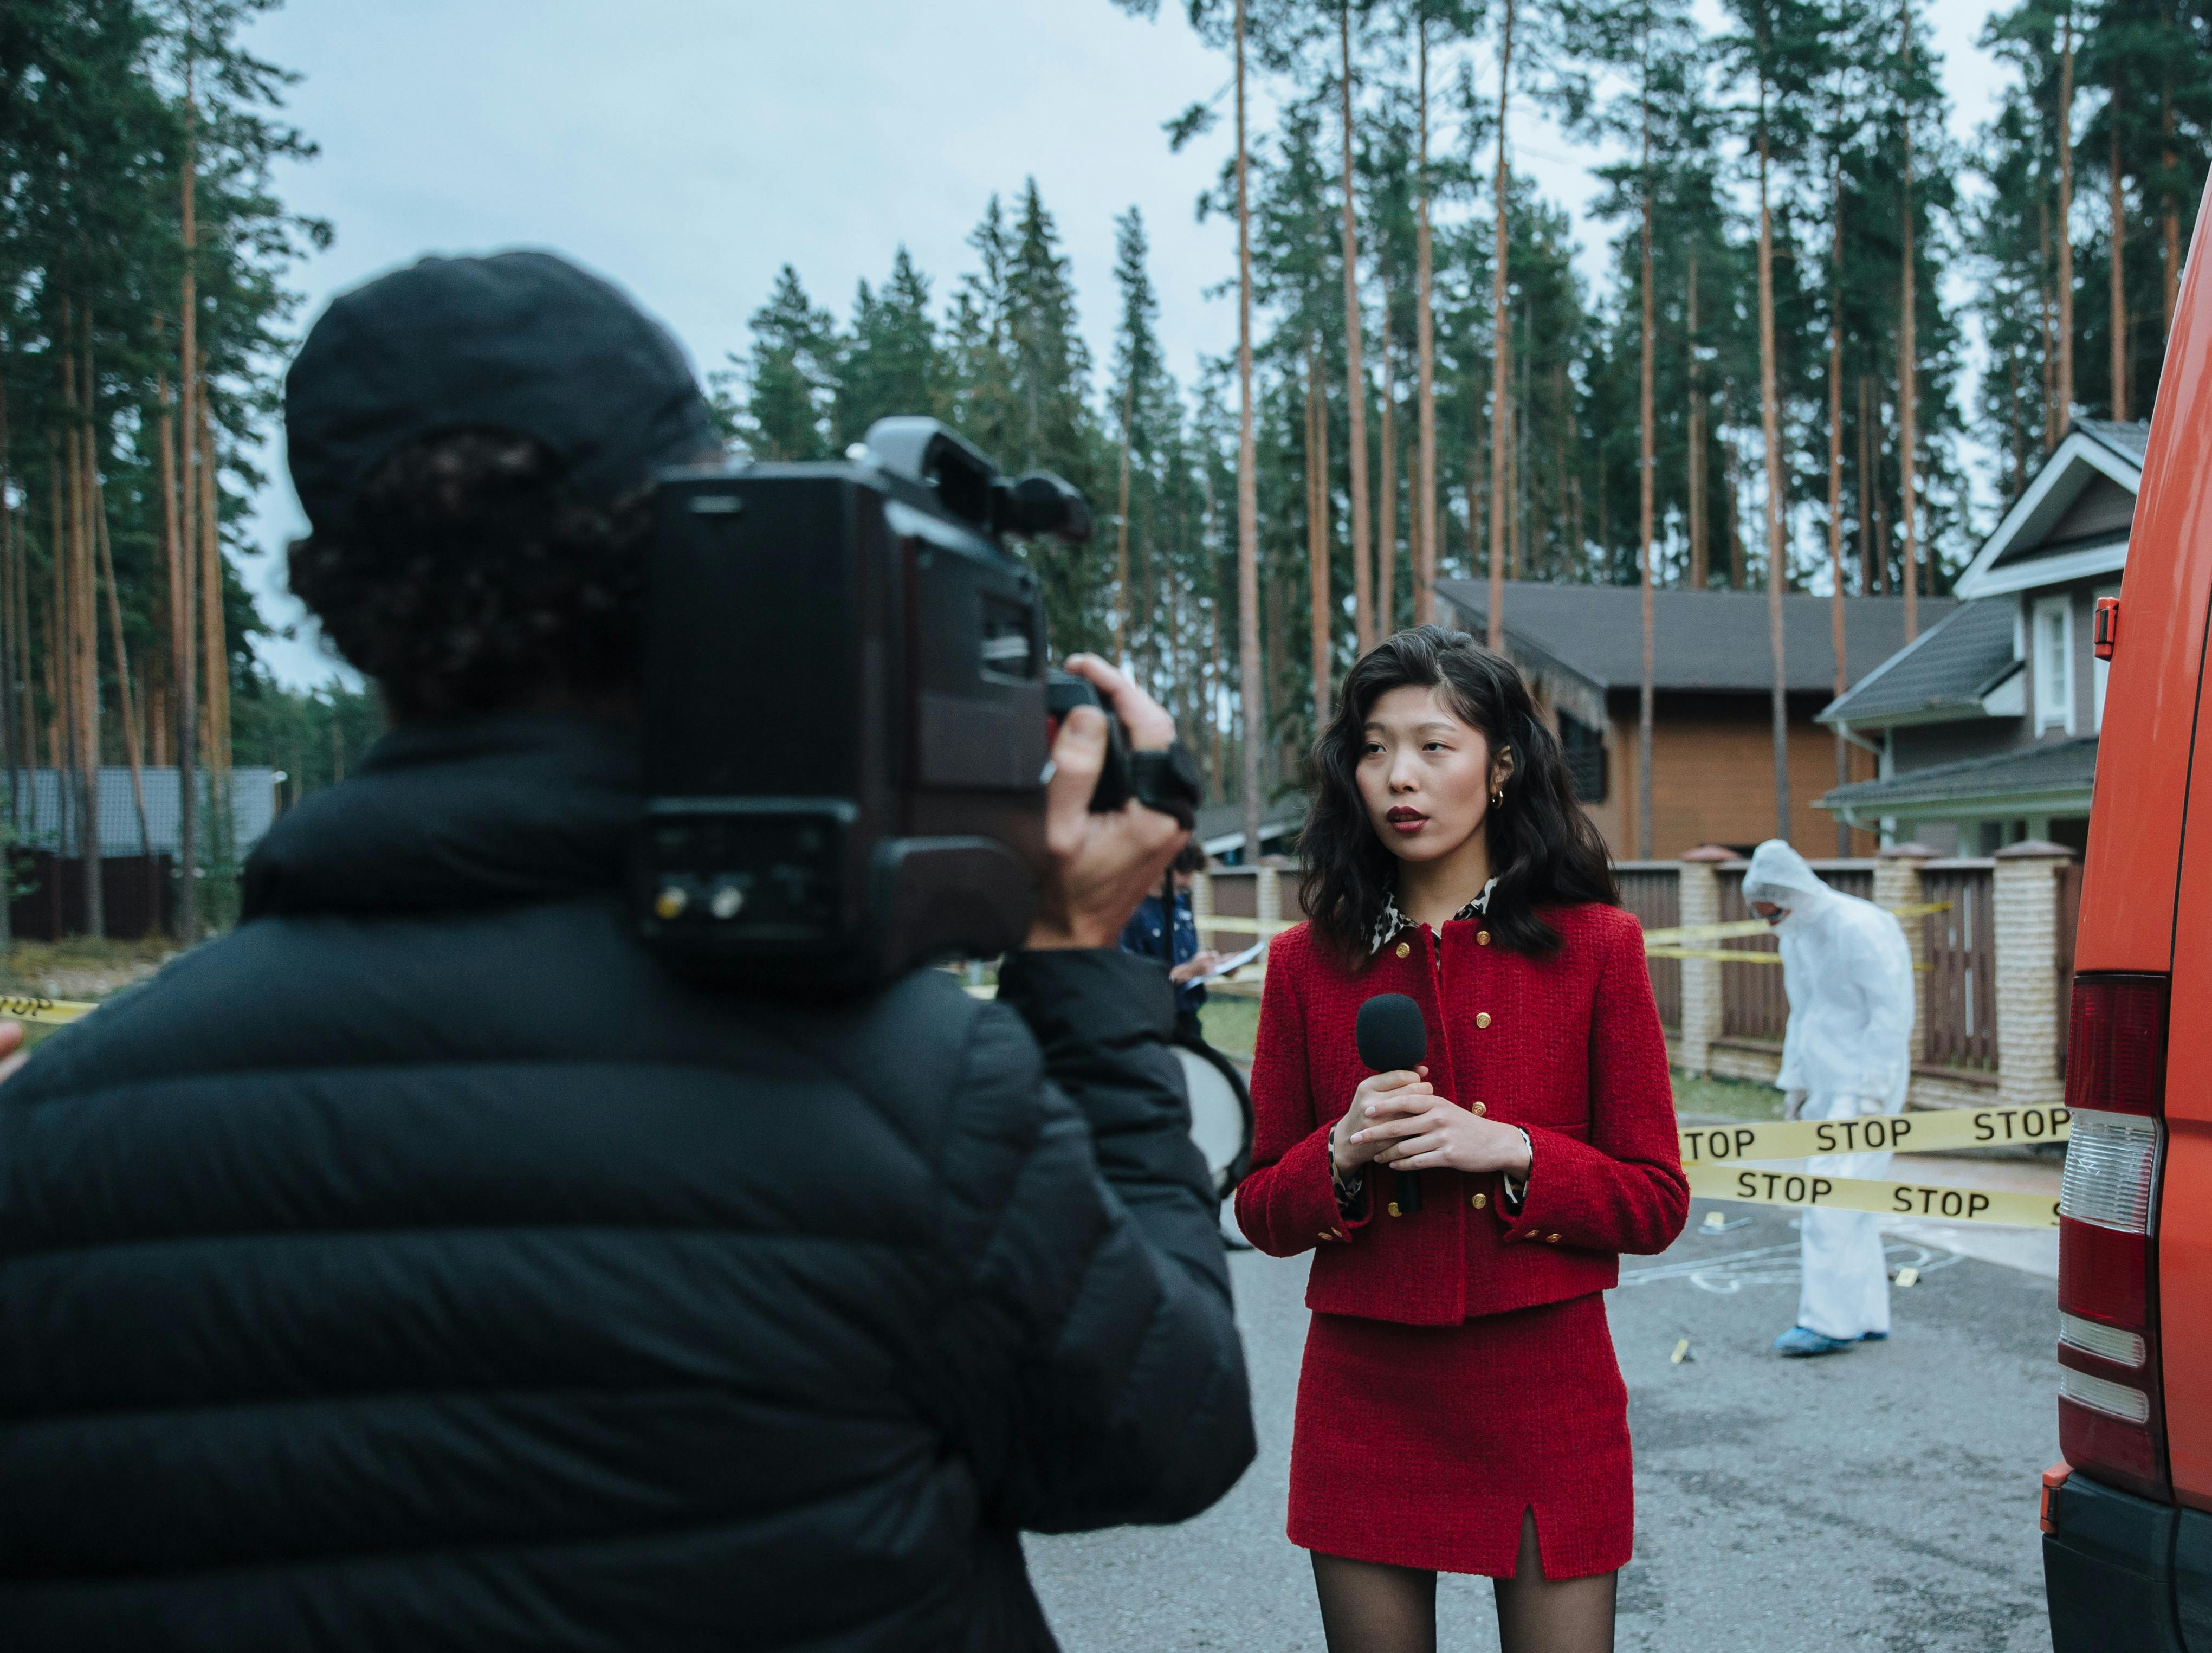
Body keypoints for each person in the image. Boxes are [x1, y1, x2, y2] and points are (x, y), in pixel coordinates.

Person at [0, 251, 1252, 1651]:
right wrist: (1074, 956)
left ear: (339, 595)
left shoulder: (47, 1140)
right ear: (696, 551)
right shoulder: (902, 1091)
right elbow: (1168, 1431)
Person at [1233, 628, 1689, 1653]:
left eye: (1434, 746)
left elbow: (1656, 1201)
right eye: (1374, 746)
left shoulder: (1598, 948)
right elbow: (1260, 1209)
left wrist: (1514, 1152)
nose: (1399, 775)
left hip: (1546, 1393)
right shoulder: (1306, 963)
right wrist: (1337, 1154)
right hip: (1365, 1394)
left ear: (1502, 765)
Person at [1742, 840, 1917, 1358]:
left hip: (1863, 1088)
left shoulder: (1860, 927)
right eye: (1760, 914)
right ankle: (1864, 1316)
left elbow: (1891, 1016)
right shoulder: (1796, 935)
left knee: (1828, 1205)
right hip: (1825, 1086)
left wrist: (1871, 1095)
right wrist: (1795, 1084)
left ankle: (1829, 1324)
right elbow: (1806, 1013)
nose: (1769, 922)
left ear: (1795, 895)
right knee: (1853, 1205)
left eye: (1773, 911)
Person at [1122, 837, 1221, 1042]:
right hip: (1151, 1026)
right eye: (1184, 871)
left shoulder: (1181, 904)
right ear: (1161, 864)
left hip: (1188, 1020)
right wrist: (1189, 972)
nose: (1189, 881)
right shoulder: (1132, 913)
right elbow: (1133, 981)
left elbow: (1186, 955)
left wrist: (1214, 964)